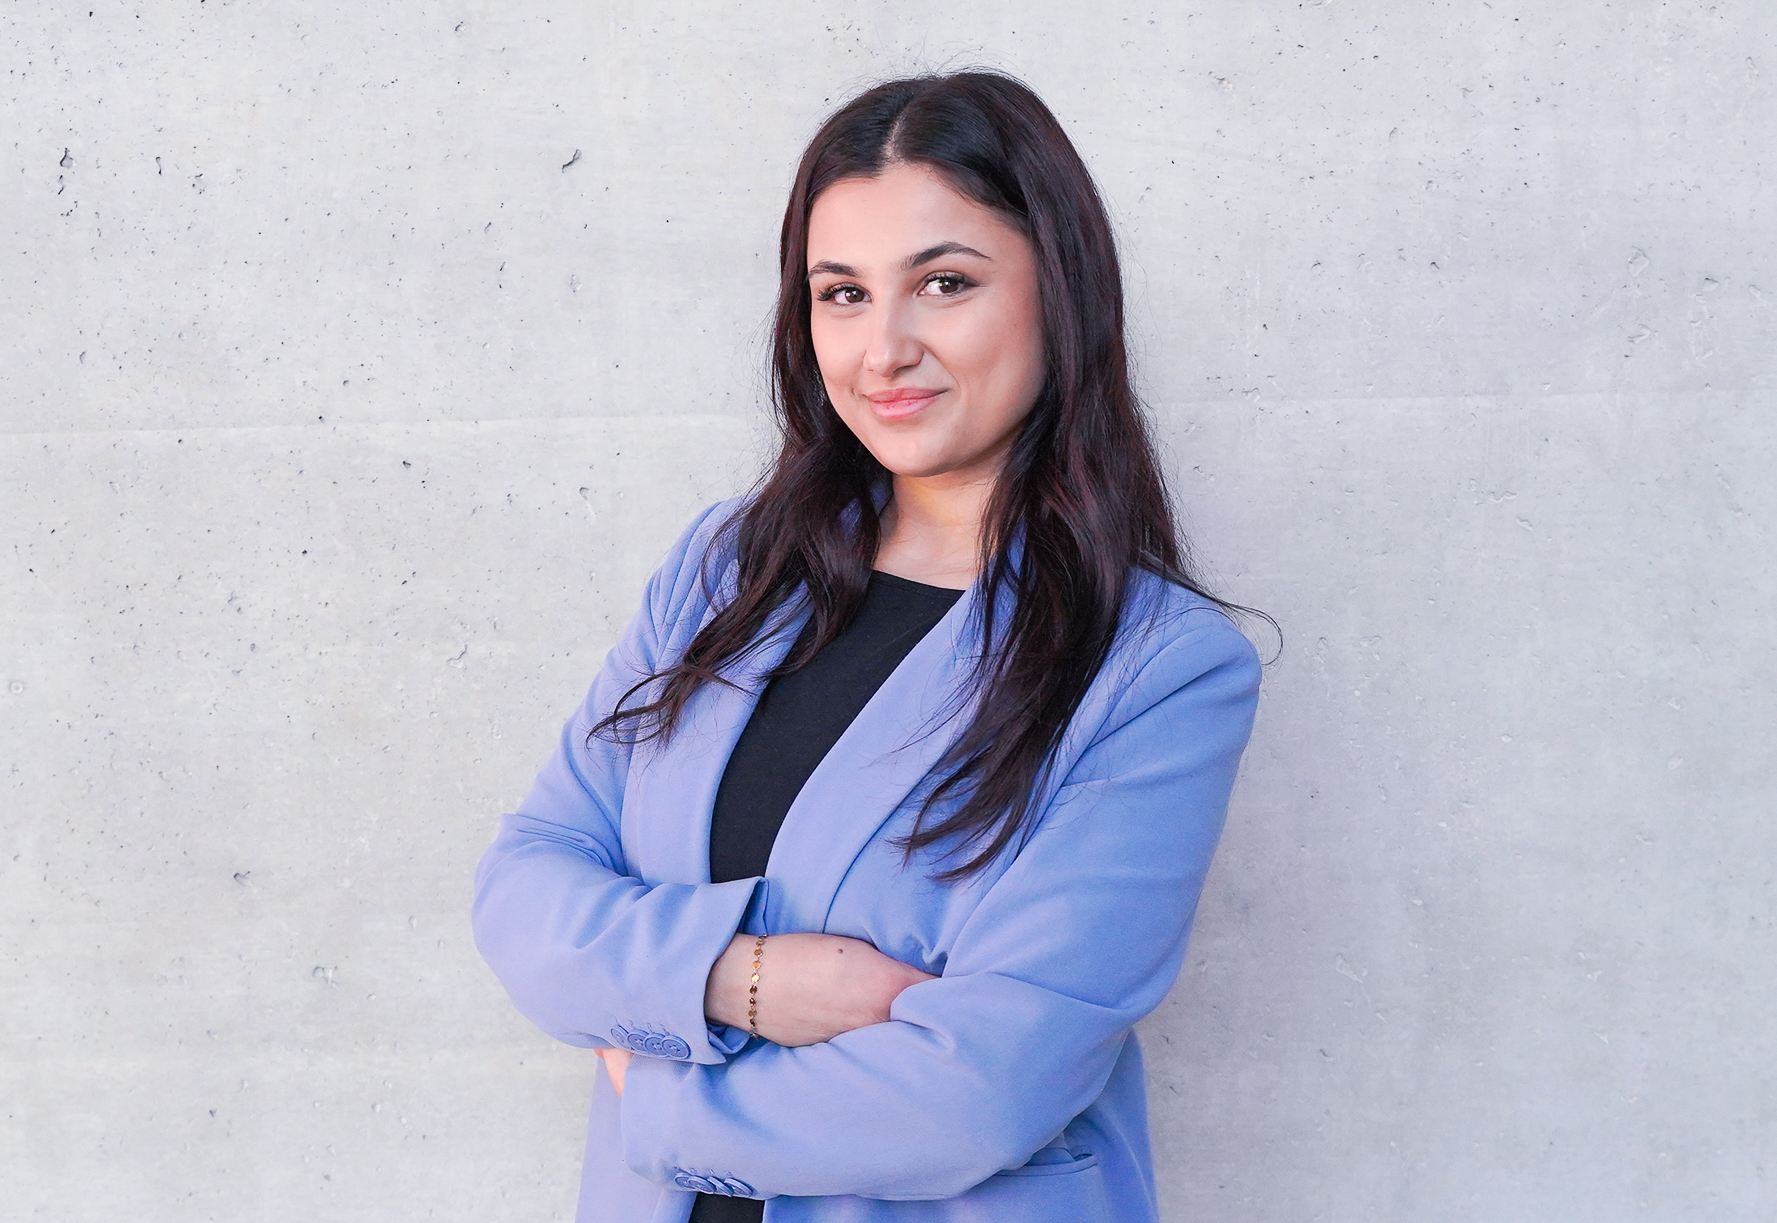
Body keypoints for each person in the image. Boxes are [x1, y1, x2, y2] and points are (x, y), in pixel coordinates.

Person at [472, 71, 1263, 1223]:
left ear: (1062, 292)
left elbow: (979, 1090)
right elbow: (527, 884)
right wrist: (745, 976)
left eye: (944, 283)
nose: (882, 348)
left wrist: (656, 1102)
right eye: (840, 293)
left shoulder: (1158, 670)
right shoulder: (729, 570)